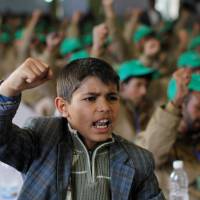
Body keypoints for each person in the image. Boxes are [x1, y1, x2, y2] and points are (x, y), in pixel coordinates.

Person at [0, 57, 165, 200]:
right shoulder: (42, 138)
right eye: (90, 98)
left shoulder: (138, 160)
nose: (105, 107)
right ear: (63, 107)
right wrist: (9, 89)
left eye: (112, 97)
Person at [135, 68, 200, 199]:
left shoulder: (195, 137)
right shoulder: (151, 140)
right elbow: (151, 155)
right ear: (181, 106)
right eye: (199, 108)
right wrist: (174, 105)